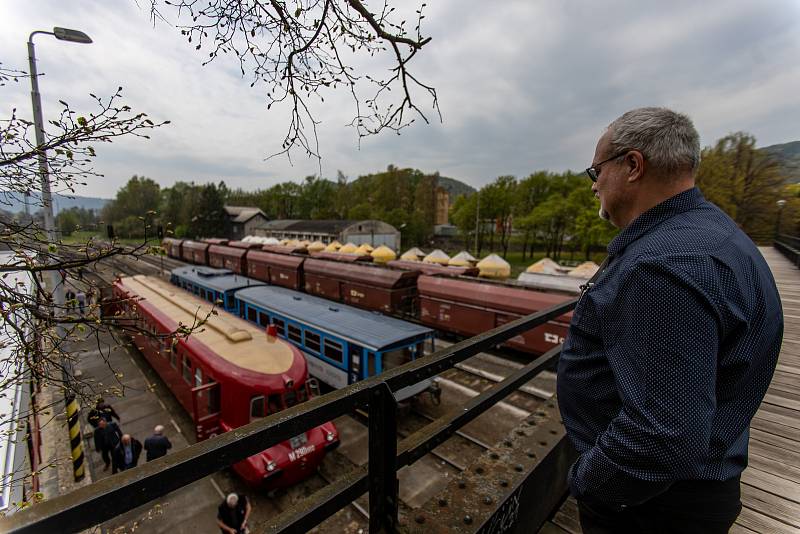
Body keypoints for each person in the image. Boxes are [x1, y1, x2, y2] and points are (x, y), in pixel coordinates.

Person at [557, 107, 783, 533]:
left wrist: (588, 484)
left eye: (595, 172)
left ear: (632, 166)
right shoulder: (717, 235)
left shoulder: (663, 265)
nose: (594, 188)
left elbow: (662, 433)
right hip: (693, 487)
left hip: (652, 507)